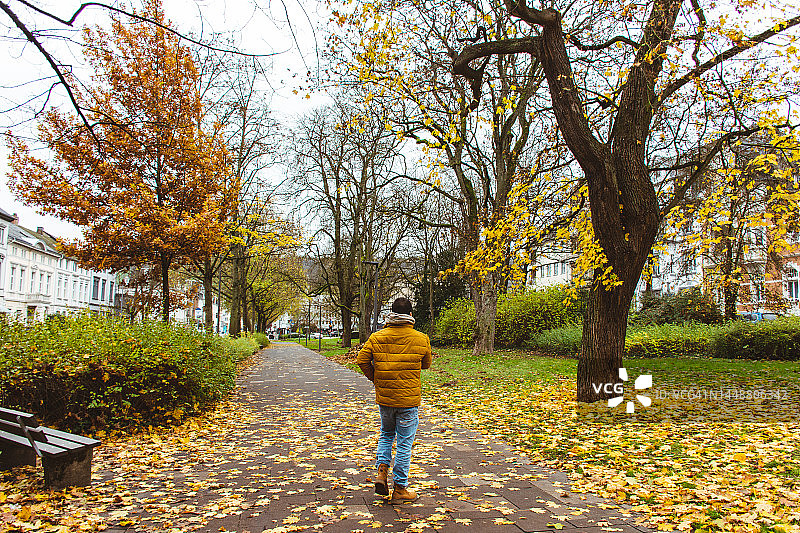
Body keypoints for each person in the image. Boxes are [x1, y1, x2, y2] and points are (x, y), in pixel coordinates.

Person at [357, 297, 432, 504]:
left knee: (386, 434)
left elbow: (362, 360)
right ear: (410, 315)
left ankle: (382, 472)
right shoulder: (421, 338)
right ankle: (400, 488)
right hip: (408, 400)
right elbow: (426, 364)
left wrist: (376, 378)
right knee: (404, 444)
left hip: (386, 398)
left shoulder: (377, 337)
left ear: (391, 314)